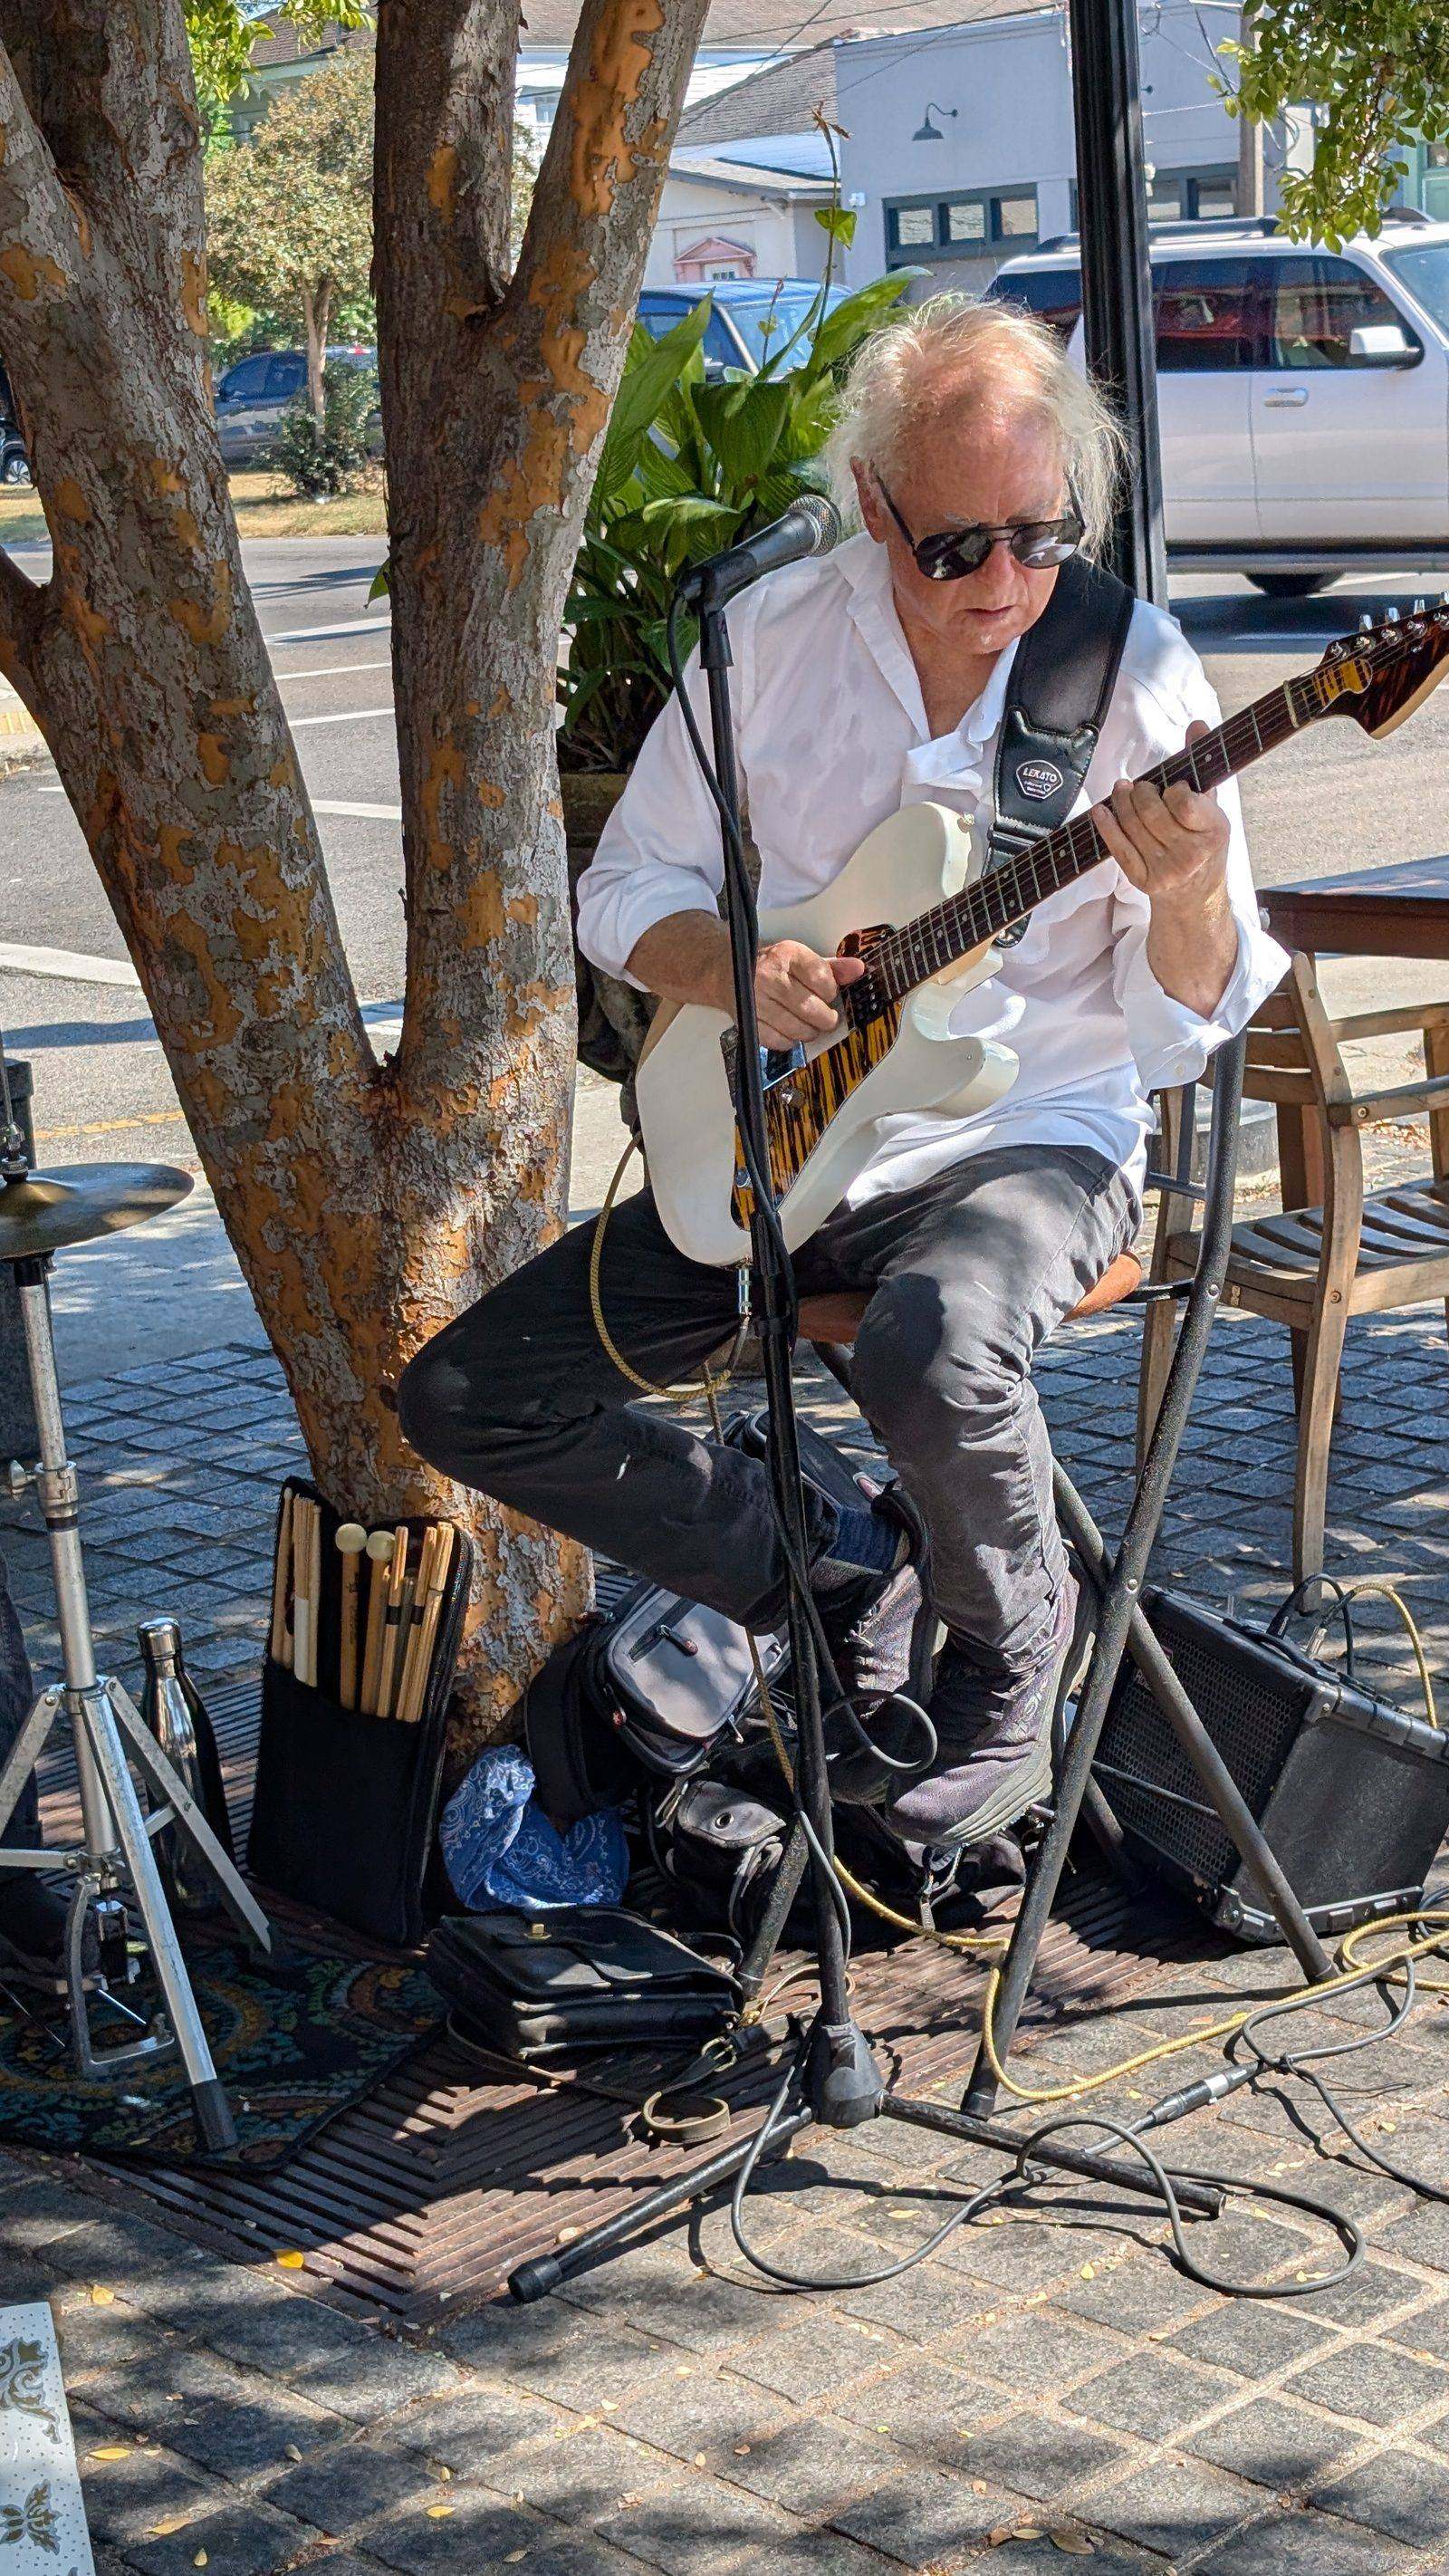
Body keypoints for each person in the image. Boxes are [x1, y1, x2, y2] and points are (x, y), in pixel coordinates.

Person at [398, 295, 1289, 1850]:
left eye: (1039, 534)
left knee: (931, 1343)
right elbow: (620, 893)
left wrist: (1197, 888)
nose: (1006, 583)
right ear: (872, 502)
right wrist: (728, 969)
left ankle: (1018, 1651)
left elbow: (1192, 1022)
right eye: (957, 546)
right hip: (786, 1144)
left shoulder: (1128, 672)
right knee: (474, 1395)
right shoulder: (766, 641)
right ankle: (832, 1570)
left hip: (1029, 1140)